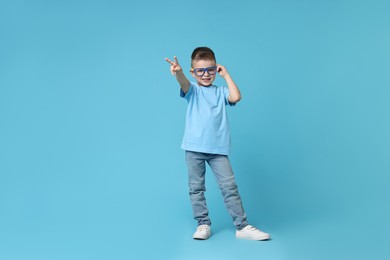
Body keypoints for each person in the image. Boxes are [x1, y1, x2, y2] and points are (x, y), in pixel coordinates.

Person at [165, 47, 270, 241]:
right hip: (194, 149)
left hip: (218, 150)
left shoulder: (221, 92)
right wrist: (178, 73)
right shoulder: (193, 91)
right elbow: (184, 83)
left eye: (210, 70)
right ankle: (203, 224)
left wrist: (226, 75)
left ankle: (242, 226)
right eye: (200, 71)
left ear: (216, 69)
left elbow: (236, 97)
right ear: (193, 72)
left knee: (229, 187)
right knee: (196, 188)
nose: (206, 74)